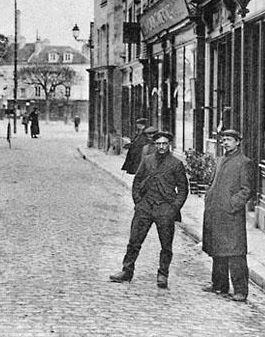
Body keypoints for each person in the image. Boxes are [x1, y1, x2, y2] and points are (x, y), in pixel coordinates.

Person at [110, 131, 189, 288]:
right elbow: (137, 181)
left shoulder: (176, 164)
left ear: (169, 145)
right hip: (145, 207)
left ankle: (163, 274)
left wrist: (174, 208)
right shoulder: (147, 161)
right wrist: (138, 201)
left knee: (166, 245)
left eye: (164, 144)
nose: (161, 147)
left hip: (165, 209)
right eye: (158, 144)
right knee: (134, 241)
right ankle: (127, 270)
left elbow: (183, 189)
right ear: (155, 145)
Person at [202, 129, 256, 302]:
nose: (225, 143)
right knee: (217, 250)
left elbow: (247, 190)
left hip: (231, 216)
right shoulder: (221, 160)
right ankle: (219, 284)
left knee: (235, 253)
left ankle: (240, 290)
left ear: (238, 142)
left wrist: (232, 205)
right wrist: (209, 196)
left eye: (229, 140)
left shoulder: (244, 162)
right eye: (223, 140)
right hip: (216, 212)